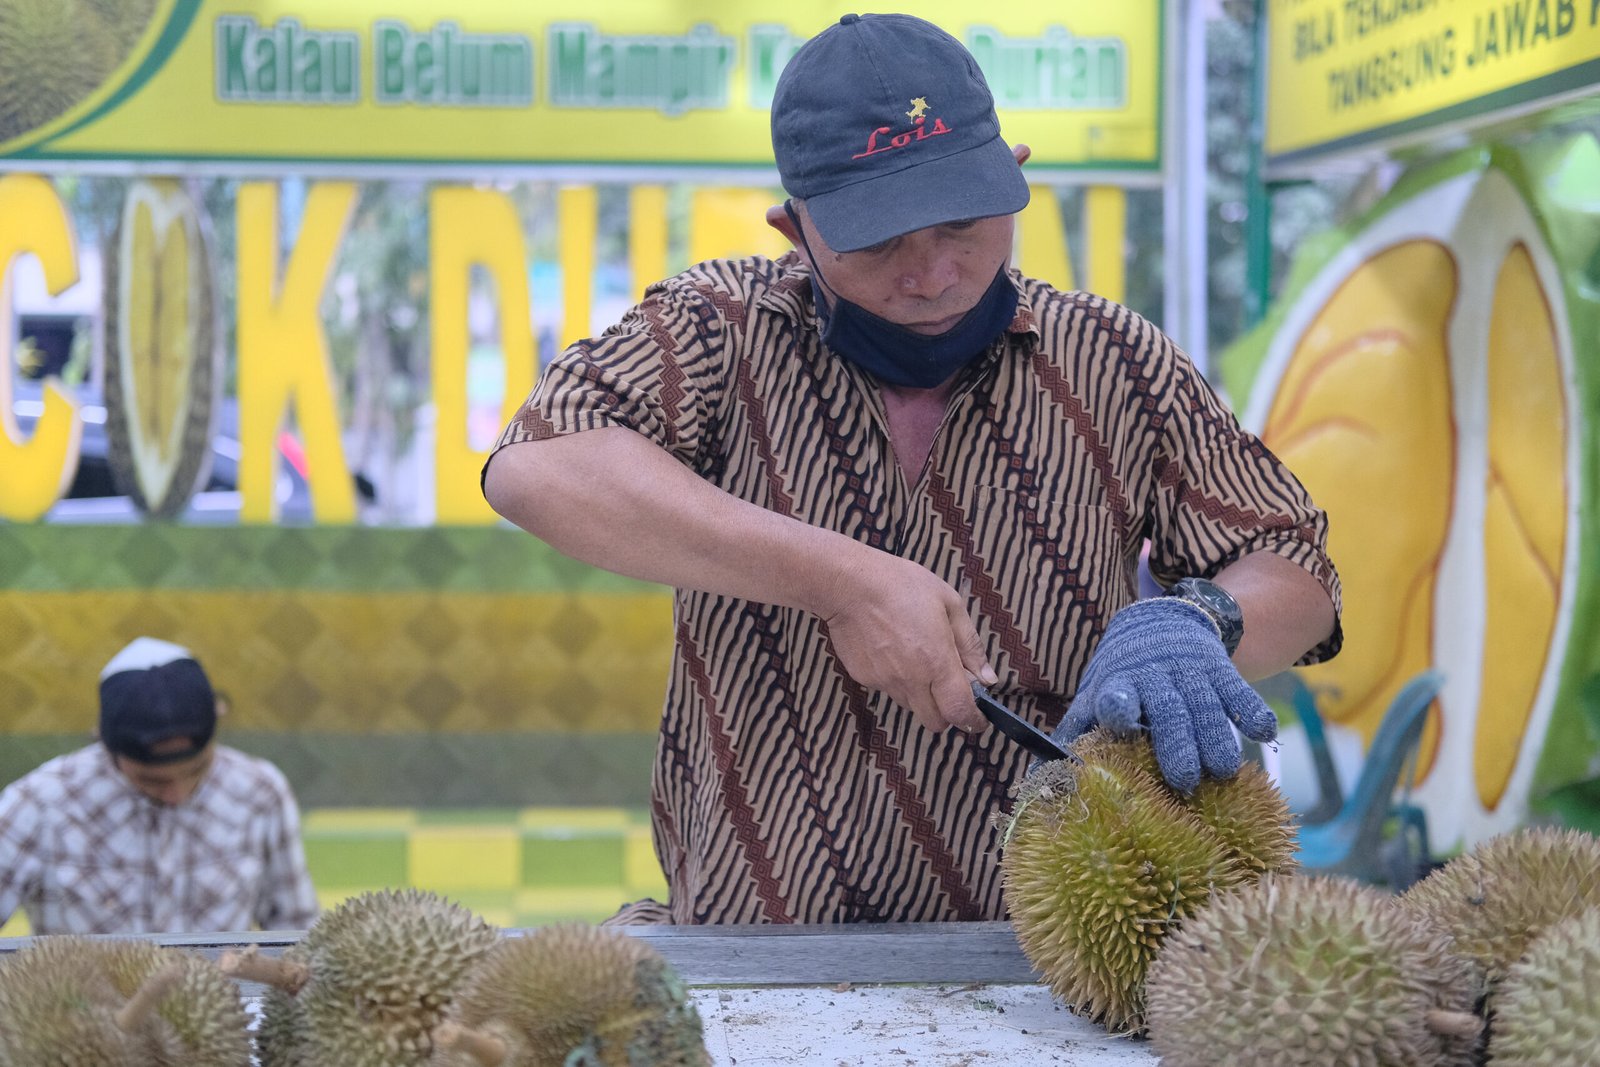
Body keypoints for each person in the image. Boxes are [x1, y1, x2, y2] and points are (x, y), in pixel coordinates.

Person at [483, 13, 1341, 925]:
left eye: (963, 224)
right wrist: (839, 579)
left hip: (1042, 960)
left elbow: (1298, 568)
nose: (932, 275)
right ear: (796, 227)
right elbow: (538, 466)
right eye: (880, 240)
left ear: (1014, 174)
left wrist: (1196, 620)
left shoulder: (1117, 359)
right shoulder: (717, 330)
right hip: (755, 952)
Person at [0, 637, 319, 935]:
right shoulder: (39, 804)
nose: (176, 793)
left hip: (221, 995)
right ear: (105, 743)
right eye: (151, 779)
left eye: (196, 770)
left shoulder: (260, 793)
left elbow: (298, 932)